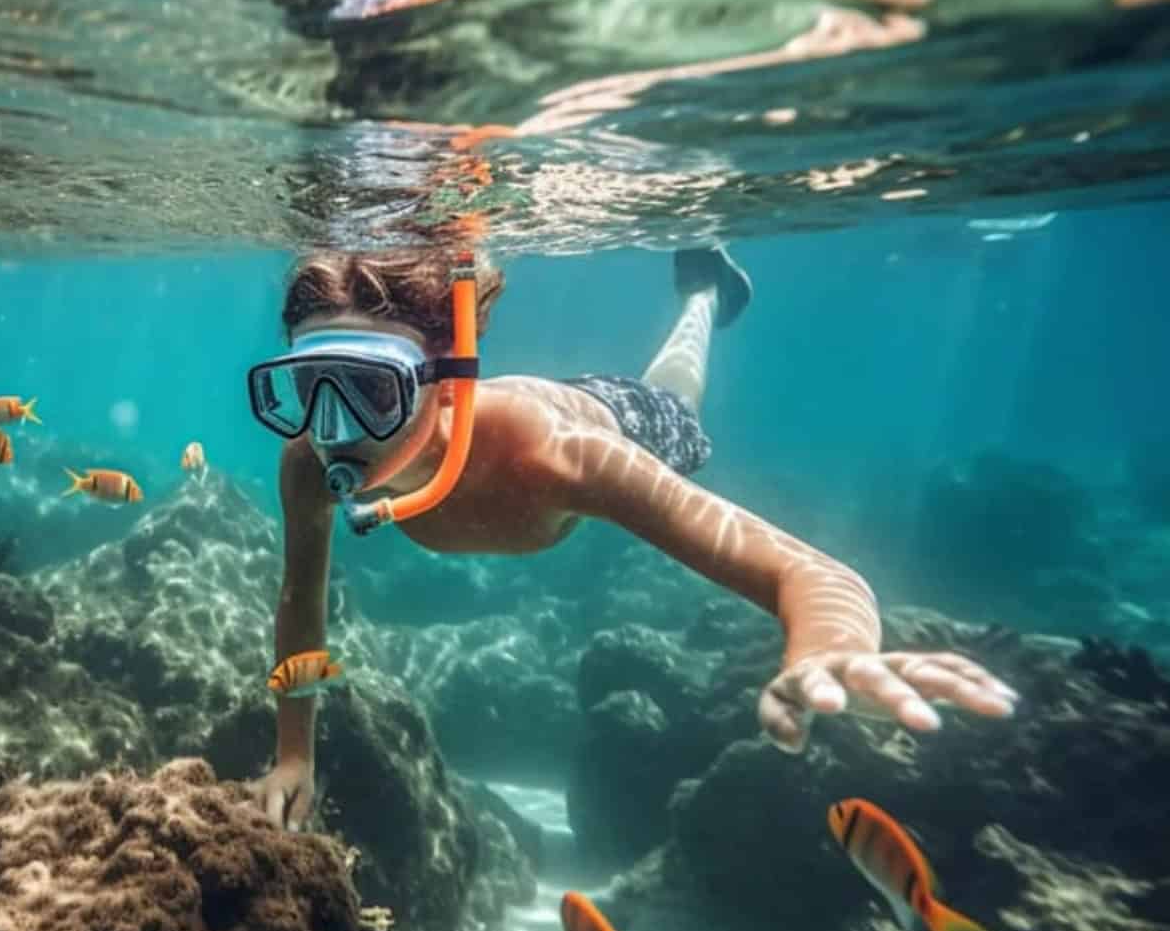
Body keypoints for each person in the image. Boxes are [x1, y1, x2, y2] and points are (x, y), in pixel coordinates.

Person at [244, 244, 1019, 829]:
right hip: (539, 408)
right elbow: (299, 603)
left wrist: (827, 648)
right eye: (310, 386)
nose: (334, 427)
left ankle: (705, 294)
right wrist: (294, 755)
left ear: (447, 384)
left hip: (616, 416)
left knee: (673, 395)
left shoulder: (559, 459)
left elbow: (813, 574)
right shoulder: (309, 459)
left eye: (371, 390)